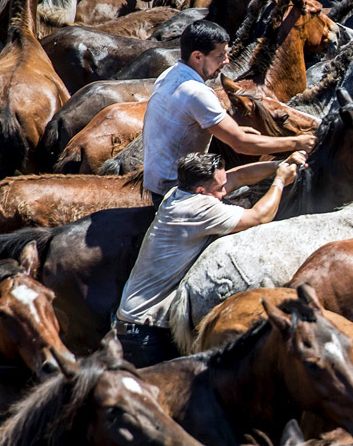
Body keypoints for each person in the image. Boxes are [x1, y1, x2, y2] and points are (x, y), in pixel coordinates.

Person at [115, 150, 305, 366]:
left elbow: (237, 177)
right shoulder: (198, 208)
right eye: (219, 189)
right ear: (200, 190)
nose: (224, 192)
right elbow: (259, 216)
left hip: (134, 324)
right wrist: (279, 181)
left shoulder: (177, 193)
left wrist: (279, 165)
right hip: (146, 332)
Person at [141, 20, 316, 203]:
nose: (227, 61)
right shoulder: (197, 92)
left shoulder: (169, 74)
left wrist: (238, 131)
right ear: (198, 57)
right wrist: (299, 142)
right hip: (178, 189)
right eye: (220, 56)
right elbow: (241, 144)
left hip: (159, 181)